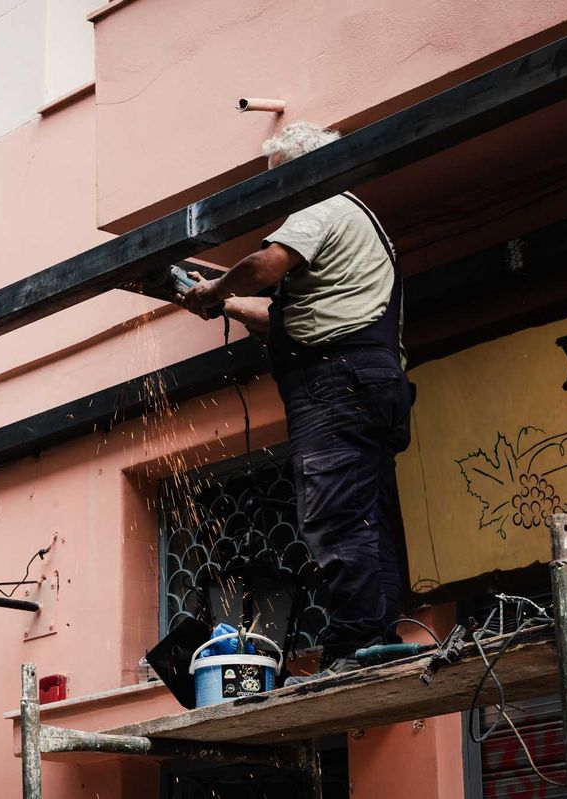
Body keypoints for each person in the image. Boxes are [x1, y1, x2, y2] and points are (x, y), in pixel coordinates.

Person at [180, 121, 413, 678]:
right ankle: (377, 633)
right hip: (366, 379)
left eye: (275, 181)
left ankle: (354, 642)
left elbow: (264, 267)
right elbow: (288, 317)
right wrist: (224, 305)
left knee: (335, 510)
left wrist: (219, 288)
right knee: (366, 513)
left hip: (336, 383)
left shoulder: (322, 204)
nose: (275, 194)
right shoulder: (356, 223)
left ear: (300, 170)